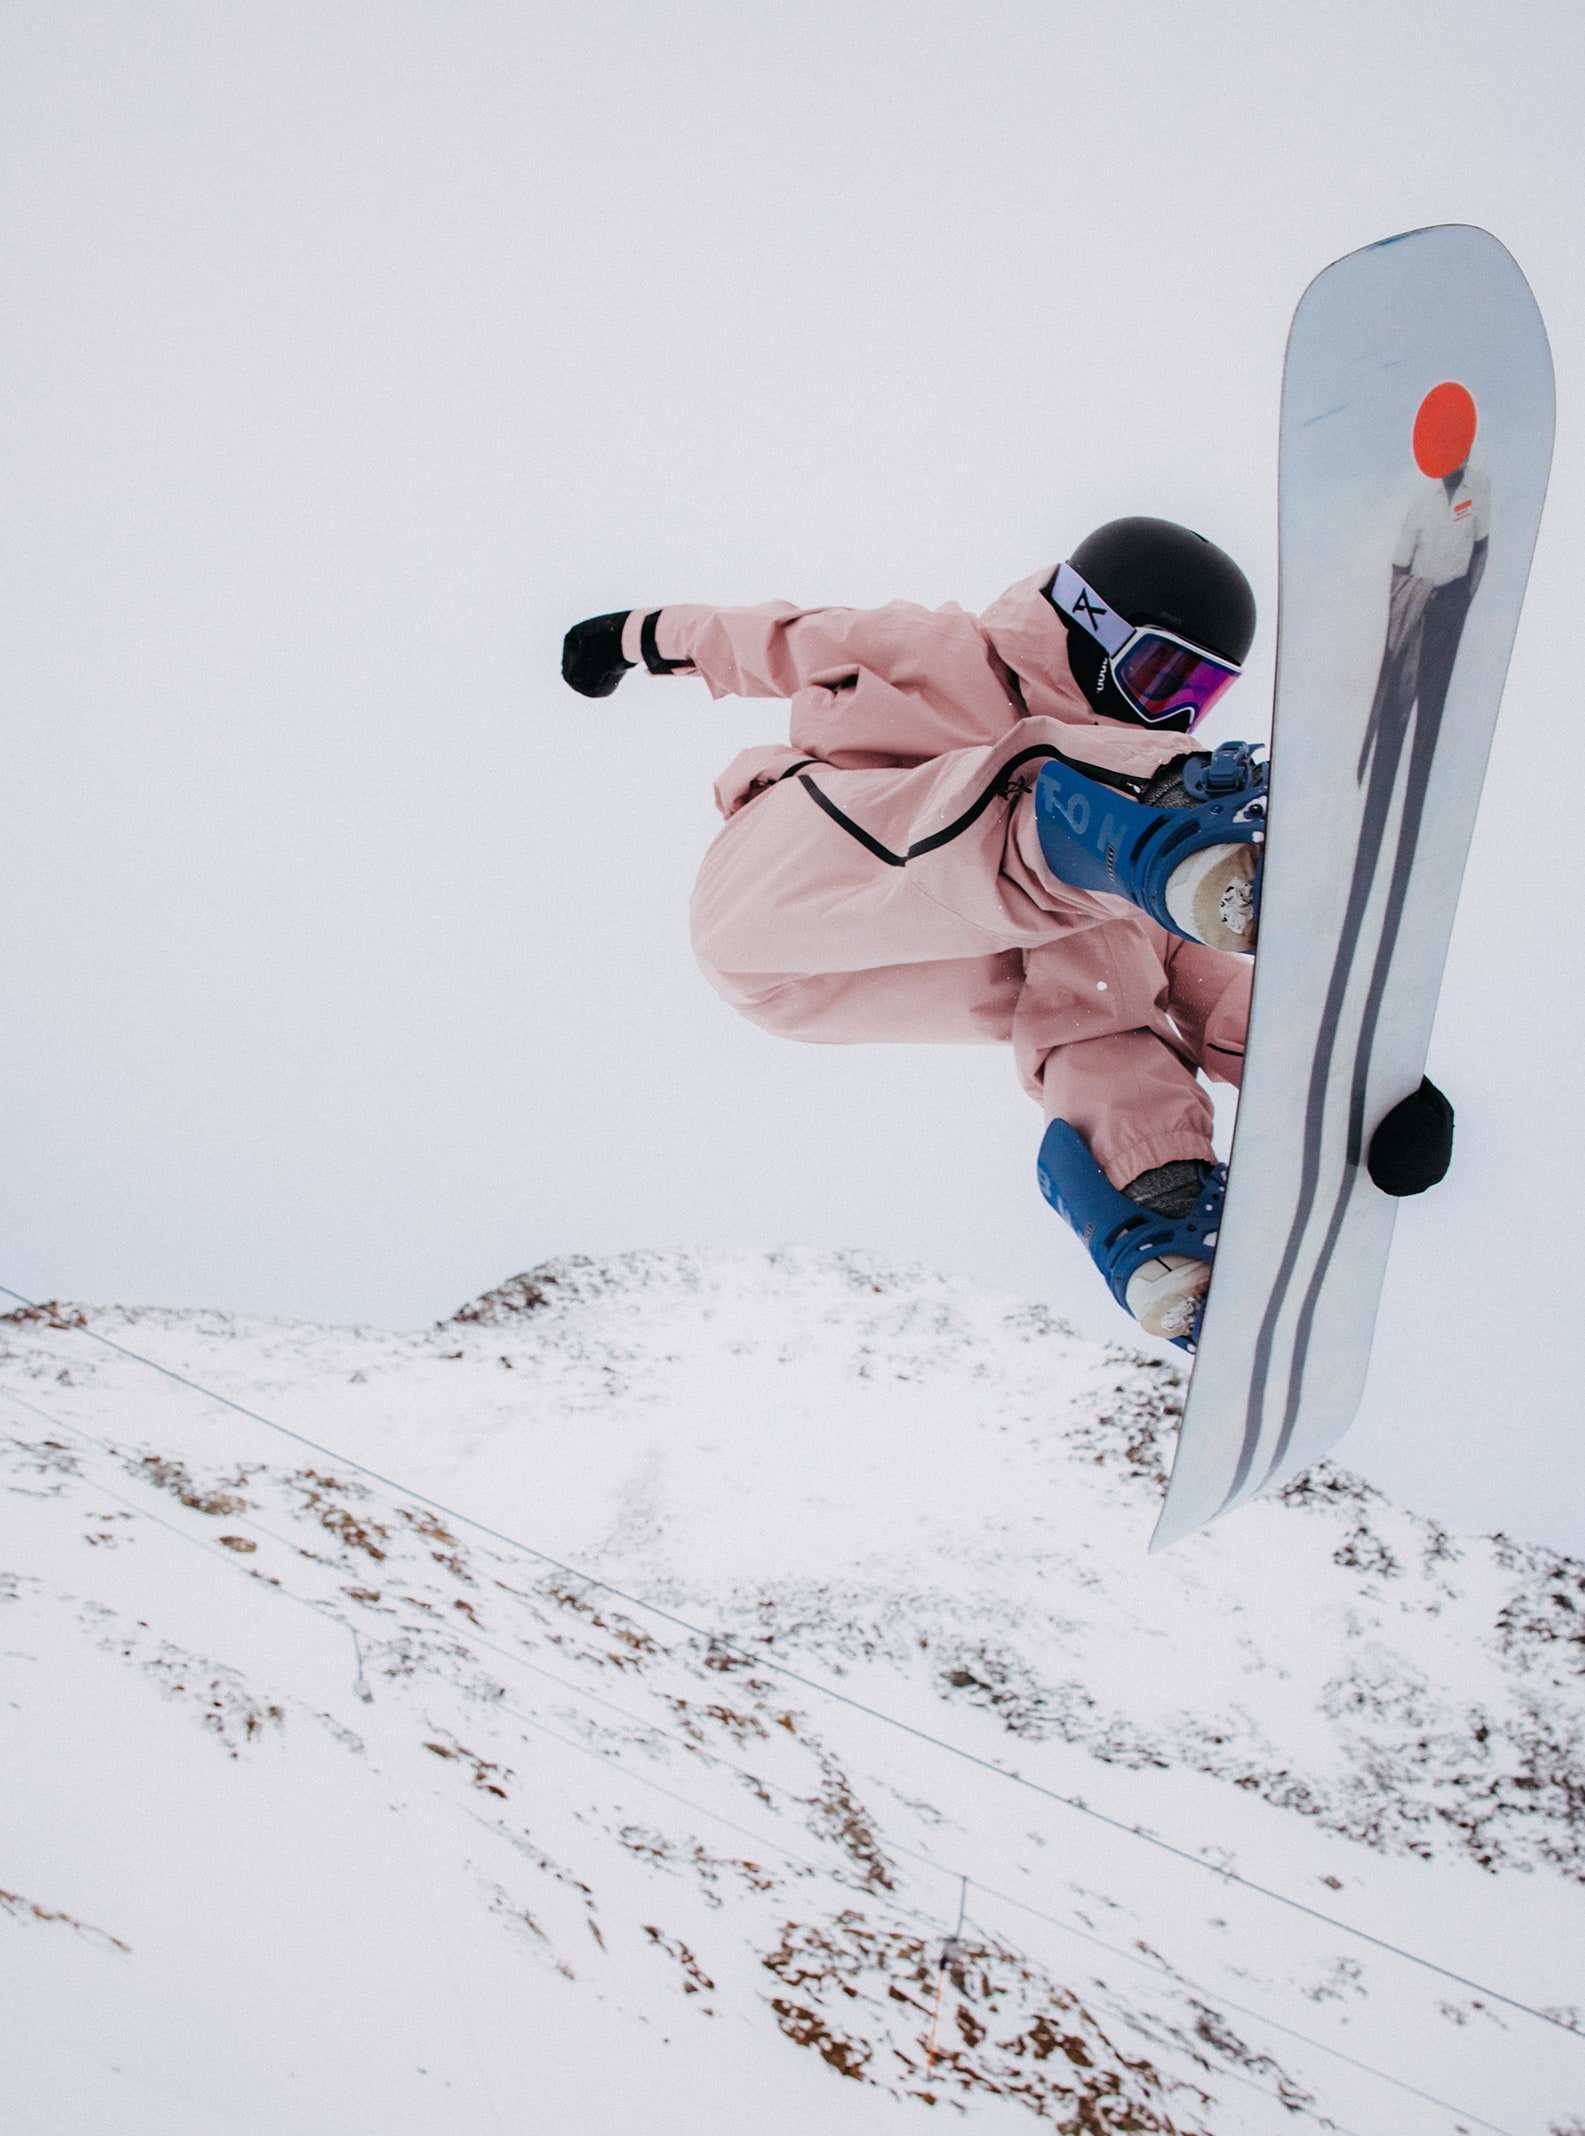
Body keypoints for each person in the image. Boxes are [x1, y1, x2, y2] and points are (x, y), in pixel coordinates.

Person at [561, 517, 1446, 1350]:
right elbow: (765, 638)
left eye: (1196, 697)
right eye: (1159, 677)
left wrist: (1352, 1083)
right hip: (787, 887)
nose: (1167, 715)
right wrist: (629, 638)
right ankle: (1151, 802)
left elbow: (1204, 982)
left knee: (1103, 973)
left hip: (892, 968)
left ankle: (1160, 1212)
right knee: (1034, 784)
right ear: (1087, 624)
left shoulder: (1127, 868)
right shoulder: (934, 649)